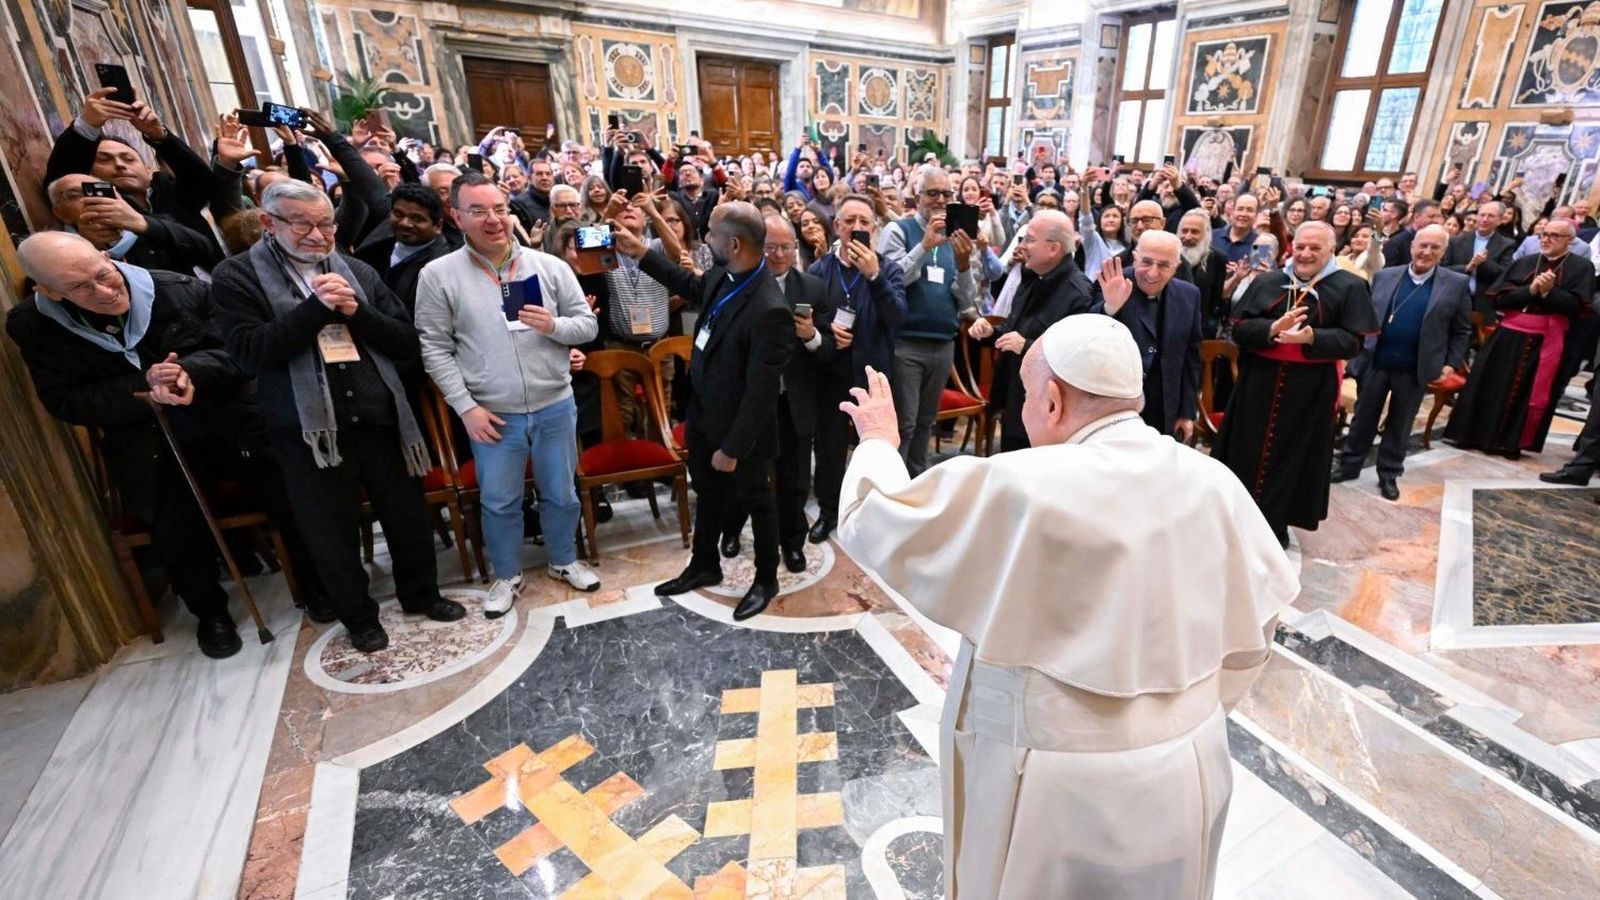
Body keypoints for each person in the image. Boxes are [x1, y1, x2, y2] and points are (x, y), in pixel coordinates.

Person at [835, 316, 1298, 899]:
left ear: (1052, 401)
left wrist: (878, 442)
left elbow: (872, 517)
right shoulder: (1215, 482)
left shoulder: (1020, 484)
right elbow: (1255, 633)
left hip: (1056, 785)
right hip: (1192, 763)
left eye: (1028, 395)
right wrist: (1177, 714)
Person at [6, 233, 327, 658]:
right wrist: (143, 387)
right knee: (171, 522)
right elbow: (64, 400)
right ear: (48, 291)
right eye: (81, 287)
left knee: (289, 491)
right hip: (145, 438)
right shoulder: (33, 326)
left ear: (107, 256)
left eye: (103, 274)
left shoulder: (179, 289)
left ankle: (315, 582)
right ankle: (210, 612)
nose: (104, 291)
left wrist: (189, 372)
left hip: (228, 421)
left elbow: (240, 354)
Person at [211, 180, 465, 653]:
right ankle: (359, 617)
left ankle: (422, 594)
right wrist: (315, 310)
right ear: (269, 222)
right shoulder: (237, 276)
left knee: (407, 517)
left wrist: (356, 312)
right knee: (331, 533)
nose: (317, 235)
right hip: (308, 432)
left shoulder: (358, 270)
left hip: (380, 419)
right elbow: (249, 353)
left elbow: (405, 341)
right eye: (302, 224)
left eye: (326, 223)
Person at [414, 172, 602, 617]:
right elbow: (434, 349)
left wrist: (553, 326)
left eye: (499, 209)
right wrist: (466, 408)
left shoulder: (549, 267)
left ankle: (563, 559)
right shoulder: (438, 275)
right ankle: (507, 574)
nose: (493, 219)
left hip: (554, 403)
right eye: (479, 211)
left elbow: (587, 326)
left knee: (562, 493)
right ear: (456, 216)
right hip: (492, 413)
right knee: (499, 501)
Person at [616, 202, 793, 619]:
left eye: (711, 233)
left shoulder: (770, 309)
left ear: (734, 244)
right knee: (709, 495)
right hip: (704, 415)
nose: (705, 239)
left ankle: (766, 578)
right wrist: (640, 253)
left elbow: (761, 394)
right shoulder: (723, 274)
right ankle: (704, 564)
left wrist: (732, 449)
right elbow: (690, 284)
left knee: (758, 502)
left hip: (742, 433)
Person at [1213, 221, 1378, 546]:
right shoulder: (1268, 280)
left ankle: (1275, 524)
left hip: (1311, 389)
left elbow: (1354, 342)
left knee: (1295, 456)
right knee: (1246, 451)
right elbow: (1239, 330)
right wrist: (1271, 329)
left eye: (1315, 248)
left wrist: (1312, 337)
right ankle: (1235, 518)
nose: (1305, 253)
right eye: (1300, 246)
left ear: (1331, 250)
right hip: (1258, 384)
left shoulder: (1350, 286)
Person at [720, 213, 831, 570]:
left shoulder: (813, 288)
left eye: (786, 247)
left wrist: (811, 336)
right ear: (757, 247)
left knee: (795, 478)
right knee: (744, 472)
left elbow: (829, 350)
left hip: (793, 400)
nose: (779, 255)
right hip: (749, 400)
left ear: (796, 248)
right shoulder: (737, 283)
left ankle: (792, 543)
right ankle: (731, 529)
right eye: (770, 248)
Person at [1332, 226, 1472, 499]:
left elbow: (1461, 330)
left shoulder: (1456, 283)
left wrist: (1451, 363)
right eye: (1423, 245)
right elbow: (1367, 317)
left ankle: (1389, 473)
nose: (1427, 252)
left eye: (1435, 247)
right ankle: (1349, 465)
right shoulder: (1386, 275)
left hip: (1416, 367)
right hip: (1376, 361)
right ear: (1412, 247)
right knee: (1363, 418)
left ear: (1444, 251)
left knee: (1401, 423)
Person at [1444, 218, 1597, 458]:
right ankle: (1470, 435)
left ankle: (1510, 443)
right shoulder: (1526, 261)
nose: (1546, 239)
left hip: (1545, 340)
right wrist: (1531, 290)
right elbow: (1499, 299)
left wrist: (1549, 293)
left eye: (1554, 235)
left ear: (1569, 241)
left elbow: (1578, 308)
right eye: (1544, 234)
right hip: (1507, 336)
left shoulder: (1581, 268)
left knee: (1526, 393)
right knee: (1487, 384)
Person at [807, 194, 907, 543]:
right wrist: (825, 329)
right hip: (829, 373)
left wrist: (874, 277)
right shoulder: (819, 271)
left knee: (876, 446)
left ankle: (880, 511)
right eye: (849, 221)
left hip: (872, 374)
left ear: (874, 228)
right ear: (837, 226)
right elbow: (805, 319)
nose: (857, 227)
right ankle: (828, 511)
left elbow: (898, 317)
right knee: (829, 447)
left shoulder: (889, 269)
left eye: (864, 222)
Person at [879, 168, 978, 474]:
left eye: (947, 194)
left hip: (943, 343)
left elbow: (965, 300)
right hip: (906, 343)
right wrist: (923, 247)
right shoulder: (899, 230)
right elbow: (889, 281)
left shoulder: (957, 238)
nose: (940, 200)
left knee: (926, 422)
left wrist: (964, 265)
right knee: (904, 424)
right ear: (917, 196)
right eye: (932, 193)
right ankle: (893, 484)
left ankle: (918, 481)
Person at [968, 210, 1091, 451]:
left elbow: (1074, 357)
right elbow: (1013, 330)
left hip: (1049, 412)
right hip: (1015, 397)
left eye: (1030, 239)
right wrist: (991, 333)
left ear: (1053, 249)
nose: (1022, 246)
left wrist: (1026, 346)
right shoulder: (1032, 276)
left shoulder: (1078, 292)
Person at [1093, 232, 1204, 441]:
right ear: (1135, 258)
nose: (1152, 273)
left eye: (1164, 265)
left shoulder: (1189, 295)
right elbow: (1086, 336)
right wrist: (1110, 308)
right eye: (1146, 262)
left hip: (1164, 405)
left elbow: (1191, 358)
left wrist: (1186, 411)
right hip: (1114, 405)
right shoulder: (1112, 281)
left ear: (1176, 267)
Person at [47, 173, 220, 275]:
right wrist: (92, 247)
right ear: (59, 212)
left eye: (97, 191)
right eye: (74, 195)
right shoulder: (56, 254)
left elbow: (204, 249)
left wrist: (141, 223)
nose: (89, 200)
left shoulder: (156, 225)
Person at [352, 183, 453, 315]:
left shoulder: (440, 269)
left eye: (417, 219)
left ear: (438, 226)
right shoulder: (380, 243)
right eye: (398, 214)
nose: (405, 223)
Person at [1179, 209, 1231, 337]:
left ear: (1206, 233)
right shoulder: (1170, 256)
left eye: (1195, 232)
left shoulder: (1218, 258)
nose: (1188, 237)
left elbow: (1218, 298)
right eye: (1184, 231)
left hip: (1202, 328)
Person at [1383, 199, 1440, 267]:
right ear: (1416, 217)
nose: (1436, 221)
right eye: (1431, 216)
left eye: (1439, 217)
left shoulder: (1439, 242)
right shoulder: (1396, 243)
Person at [1212, 192, 1259, 262]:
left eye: (1250, 210)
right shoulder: (1213, 236)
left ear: (1257, 215)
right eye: (1240, 209)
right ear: (1232, 211)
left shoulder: (1259, 244)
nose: (1243, 214)